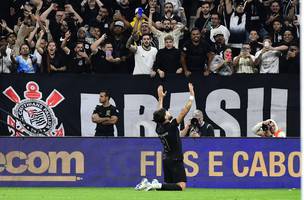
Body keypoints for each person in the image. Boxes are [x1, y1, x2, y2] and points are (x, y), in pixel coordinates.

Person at [135, 83, 195, 191]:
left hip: (166, 159)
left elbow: (159, 112)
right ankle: (155, 185)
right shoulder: (171, 126)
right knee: (181, 186)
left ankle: (151, 185)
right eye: (166, 112)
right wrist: (191, 95)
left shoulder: (159, 127)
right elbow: (184, 111)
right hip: (175, 159)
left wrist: (161, 98)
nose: (168, 112)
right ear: (165, 117)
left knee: (169, 186)